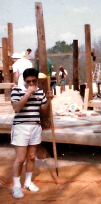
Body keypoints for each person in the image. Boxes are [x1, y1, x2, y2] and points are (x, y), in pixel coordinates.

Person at [10, 68, 53, 199]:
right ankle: (16, 186)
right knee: (21, 158)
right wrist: (28, 94)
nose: (31, 83)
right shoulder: (16, 91)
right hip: (21, 127)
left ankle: (28, 182)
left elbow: (44, 109)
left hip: (35, 127)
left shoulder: (40, 91)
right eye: (28, 81)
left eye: (34, 81)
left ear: (37, 80)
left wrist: (49, 99)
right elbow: (17, 108)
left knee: (32, 157)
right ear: (24, 80)